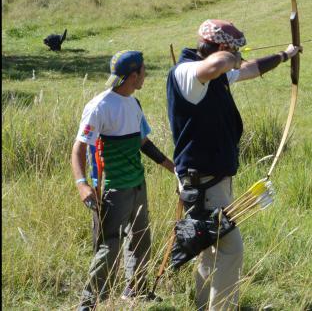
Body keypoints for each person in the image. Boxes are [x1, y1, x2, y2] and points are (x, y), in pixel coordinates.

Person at [166, 19, 299, 310]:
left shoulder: (214, 77)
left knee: (210, 247)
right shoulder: (189, 73)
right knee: (231, 248)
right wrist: (230, 57)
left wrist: (284, 55)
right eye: (232, 51)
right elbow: (216, 66)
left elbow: (248, 69)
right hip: (203, 181)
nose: (237, 58)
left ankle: (203, 304)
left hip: (212, 180)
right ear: (222, 48)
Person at [71, 50, 175, 310]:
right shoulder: (100, 106)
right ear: (133, 76)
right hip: (112, 189)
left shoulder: (134, 103)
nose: (145, 75)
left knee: (142, 241)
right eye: (143, 71)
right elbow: (79, 148)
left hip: (138, 185)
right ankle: (89, 302)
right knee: (110, 248)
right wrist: (82, 184)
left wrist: (172, 167)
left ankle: (136, 291)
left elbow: (143, 142)